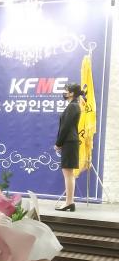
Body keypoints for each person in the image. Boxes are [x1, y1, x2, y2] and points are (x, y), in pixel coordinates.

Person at [55, 82, 83, 211]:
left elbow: (65, 127)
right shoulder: (73, 105)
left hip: (69, 142)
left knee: (68, 174)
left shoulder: (73, 106)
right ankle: (69, 202)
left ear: (71, 93)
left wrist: (58, 143)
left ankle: (69, 202)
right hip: (70, 142)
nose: (64, 92)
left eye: (66, 90)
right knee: (68, 173)